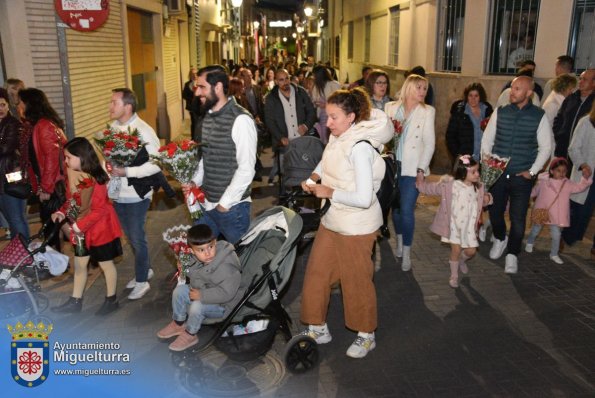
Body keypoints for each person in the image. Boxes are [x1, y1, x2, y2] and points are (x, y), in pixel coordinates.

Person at [299, 87, 393, 359]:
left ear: (351, 117)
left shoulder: (360, 148)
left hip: (358, 227)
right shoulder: (339, 137)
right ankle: (318, 328)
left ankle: (366, 335)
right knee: (317, 274)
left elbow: (364, 198)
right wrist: (314, 178)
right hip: (332, 219)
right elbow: (326, 160)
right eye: (326, 116)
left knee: (356, 282)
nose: (327, 123)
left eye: (333, 117)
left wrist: (329, 192)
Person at [481, 76, 553, 274]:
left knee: (518, 218)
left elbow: (546, 148)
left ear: (529, 93)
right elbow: (487, 141)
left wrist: (532, 171)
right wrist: (489, 164)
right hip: (498, 175)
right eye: (513, 88)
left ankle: (512, 253)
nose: (512, 92)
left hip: (522, 178)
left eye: (518, 89)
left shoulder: (539, 116)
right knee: (494, 213)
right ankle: (500, 238)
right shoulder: (500, 112)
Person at [186, 65, 257, 245]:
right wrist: (195, 182)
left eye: (202, 87)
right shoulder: (207, 116)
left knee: (240, 262)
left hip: (232, 209)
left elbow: (247, 168)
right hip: (207, 204)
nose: (197, 93)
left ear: (217, 87)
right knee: (203, 259)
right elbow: (206, 157)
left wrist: (224, 204)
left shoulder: (241, 119)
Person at [51, 137, 123, 315]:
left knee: (106, 265)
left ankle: (111, 299)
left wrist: (77, 226)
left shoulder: (98, 179)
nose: (65, 161)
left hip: (100, 231)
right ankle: (75, 301)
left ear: (81, 156)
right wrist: (61, 212)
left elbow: (100, 210)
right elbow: (72, 201)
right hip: (82, 231)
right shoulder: (74, 176)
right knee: (80, 265)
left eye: (68, 157)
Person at [108, 88, 162, 300]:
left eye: (114, 103)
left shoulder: (143, 130)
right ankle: (145, 269)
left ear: (127, 107)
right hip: (118, 193)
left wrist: (128, 171)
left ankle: (142, 281)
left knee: (137, 238)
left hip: (137, 194)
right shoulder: (112, 128)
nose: (110, 107)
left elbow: (157, 164)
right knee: (130, 236)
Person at [156, 224, 243, 351]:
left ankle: (191, 333)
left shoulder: (226, 266)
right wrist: (182, 265)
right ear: (192, 250)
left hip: (225, 305)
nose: (208, 253)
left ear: (215, 242)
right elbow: (193, 272)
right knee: (179, 291)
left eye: (211, 247)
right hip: (204, 292)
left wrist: (201, 295)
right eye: (201, 250)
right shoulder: (194, 257)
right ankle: (178, 323)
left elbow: (227, 293)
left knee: (197, 306)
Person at [384, 74, 436, 271]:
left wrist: (422, 169)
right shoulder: (390, 108)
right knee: (395, 211)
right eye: (419, 87)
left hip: (413, 170)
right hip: (392, 168)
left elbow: (430, 144)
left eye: (425, 88)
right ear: (408, 88)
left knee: (406, 210)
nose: (423, 92)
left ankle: (406, 251)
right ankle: (399, 239)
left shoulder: (427, 111)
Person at [417, 155, 492, 288]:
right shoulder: (450, 186)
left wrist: (488, 198)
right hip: (454, 226)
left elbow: (485, 199)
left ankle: (462, 261)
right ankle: (454, 275)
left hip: (469, 227)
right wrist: (420, 182)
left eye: (477, 171)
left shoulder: (478, 187)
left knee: (471, 251)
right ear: (463, 173)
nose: (477, 174)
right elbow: (431, 189)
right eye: (473, 172)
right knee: (455, 250)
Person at [18, 88, 68, 251]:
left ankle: (84, 258)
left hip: (53, 186)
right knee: (57, 225)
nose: (18, 105)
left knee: (55, 225)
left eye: (20, 102)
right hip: (50, 184)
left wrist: (46, 188)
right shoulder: (36, 125)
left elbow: (51, 159)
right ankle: (63, 261)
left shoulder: (44, 125)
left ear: (28, 104)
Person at [525, 157, 591, 264]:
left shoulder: (567, 184)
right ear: (551, 171)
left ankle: (554, 254)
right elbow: (534, 192)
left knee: (557, 235)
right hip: (542, 212)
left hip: (556, 216)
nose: (562, 173)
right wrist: (523, 196)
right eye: (558, 171)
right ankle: (530, 242)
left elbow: (580, 188)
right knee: (536, 229)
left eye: (564, 171)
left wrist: (585, 179)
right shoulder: (543, 182)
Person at [264, 69, 316, 187]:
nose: (285, 82)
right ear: (276, 81)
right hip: (284, 142)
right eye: (281, 80)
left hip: (302, 139)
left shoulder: (301, 92)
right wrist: (280, 137)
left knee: (303, 168)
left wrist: (306, 125)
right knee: (285, 171)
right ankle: (287, 195)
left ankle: (299, 194)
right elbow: (269, 121)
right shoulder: (271, 97)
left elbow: (311, 111)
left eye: (287, 78)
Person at [563, 103, 595, 252]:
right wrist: (582, 164)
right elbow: (574, 147)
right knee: (580, 210)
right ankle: (569, 240)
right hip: (587, 174)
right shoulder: (586, 122)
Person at [0, 88, 30, 240]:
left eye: (3, 105)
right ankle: (19, 251)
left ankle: (24, 254)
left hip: (12, 175)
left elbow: (5, 148)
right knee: (10, 217)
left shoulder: (13, 124)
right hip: (2, 178)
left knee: (16, 217)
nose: (1, 109)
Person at [445, 82, 493, 161]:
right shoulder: (459, 112)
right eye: (470, 95)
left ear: (480, 97)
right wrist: (458, 156)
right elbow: (450, 136)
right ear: (467, 97)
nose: (473, 99)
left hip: (484, 158)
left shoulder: (487, 111)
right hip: (465, 158)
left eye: (476, 96)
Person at [553, 69, 595, 158]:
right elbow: (559, 118)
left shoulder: (593, 103)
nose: (580, 82)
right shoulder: (571, 99)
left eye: (585, 79)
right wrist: (559, 135)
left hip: (583, 152)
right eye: (580, 79)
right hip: (564, 149)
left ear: (593, 83)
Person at [311, 65, 341, 144]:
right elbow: (314, 100)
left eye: (314, 75)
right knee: (324, 137)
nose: (313, 77)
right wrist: (316, 103)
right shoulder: (316, 86)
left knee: (332, 137)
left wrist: (326, 105)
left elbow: (339, 101)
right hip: (322, 115)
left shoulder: (334, 85)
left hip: (333, 115)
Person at [182, 67, 199, 136]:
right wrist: (191, 99)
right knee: (194, 122)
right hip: (192, 107)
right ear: (190, 75)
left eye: (196, 74)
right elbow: (184, 95)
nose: (194, 75)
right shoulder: (187, 84)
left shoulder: (201, 83)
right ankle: (193, 138)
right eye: (192, 74)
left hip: (200, 106)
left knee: (199, 122)